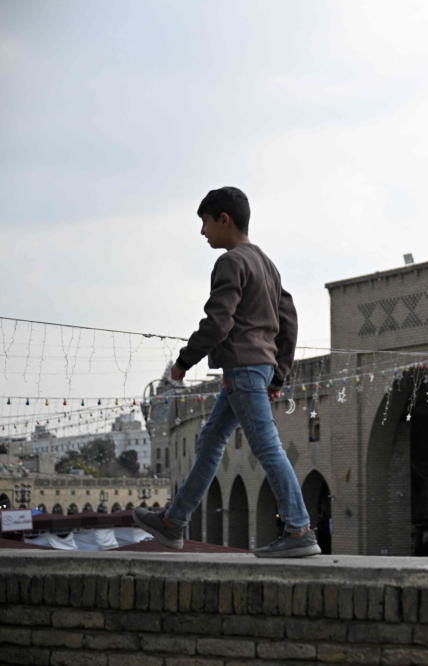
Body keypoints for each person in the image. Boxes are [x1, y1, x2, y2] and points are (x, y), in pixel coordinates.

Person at [133, 187, 320, 558]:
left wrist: (184, 361)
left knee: (266, 447)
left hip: (244, 369)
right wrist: (278, 375)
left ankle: (299, 530)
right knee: (210, 441)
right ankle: (173, 522)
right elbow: (289, 321)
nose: (202, 232)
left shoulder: (232, 262)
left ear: (224, 220)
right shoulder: (267, 264)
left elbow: (218, 322)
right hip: (259, 369)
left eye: (204, 223)